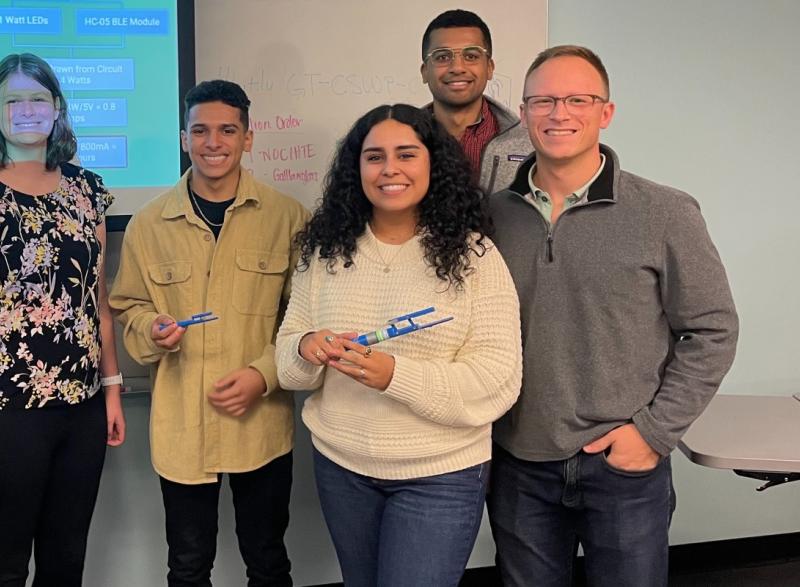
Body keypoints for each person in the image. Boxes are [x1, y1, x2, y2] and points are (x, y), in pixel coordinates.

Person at [487, 45, 739, 587]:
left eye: (578, 99)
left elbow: (712, 329)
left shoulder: (665, 212)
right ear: (525, 113)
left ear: (606, 112)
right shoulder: (491, 216)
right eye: (544, 100)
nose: (560, 114)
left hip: (624, 467)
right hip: (518, 464)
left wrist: (653, 431)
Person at [275, 104, 521, 587]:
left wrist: (395, 376)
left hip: (440, 476)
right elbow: (287, 363)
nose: (390, 169)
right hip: (341, 465)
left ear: (433, 162)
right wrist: (306, 346)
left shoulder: (476, 255)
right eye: (374, 157)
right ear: (356, 169)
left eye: (406, 154)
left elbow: (497, 381)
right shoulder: (322, 251)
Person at [109, 80, 307, 587]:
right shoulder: (149, 223)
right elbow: (128, 307)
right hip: (183, 431)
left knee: (267, 559)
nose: (212, 142)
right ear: (183, 138)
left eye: (227, 130)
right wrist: (152, 330)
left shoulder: (288, 218)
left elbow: (305, 319)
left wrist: (264, 376)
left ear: (248, 139)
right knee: (188, 565)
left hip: (259, 427)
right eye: (200, 130)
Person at [0, 53, 126, 587]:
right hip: (7, 407)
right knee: (5, 562)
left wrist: (113, 390)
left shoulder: (87, 189)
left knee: (65, 559)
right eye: (12, 100)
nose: (26, 110)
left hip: (81, 408)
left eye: (37, 99)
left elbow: (97, 297)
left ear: (56, 109)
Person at [420, 9, 531, 194]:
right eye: (442, 57)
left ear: (489, 68)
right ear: (424, 71)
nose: (457, 68)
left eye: (471, 56)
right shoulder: (403, 140)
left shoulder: (530, 143)